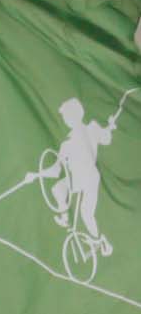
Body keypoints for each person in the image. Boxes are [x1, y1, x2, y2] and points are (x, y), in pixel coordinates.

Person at [46, 97, 120, 261]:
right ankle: (65, 218)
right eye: (65, 117)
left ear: (76, 114)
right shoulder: (66, 144)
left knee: (86, 212)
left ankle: (100, 241)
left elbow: (106, 139)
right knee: (58, 188)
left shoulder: (92, 128)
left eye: (67, 116)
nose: (66, 119)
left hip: (89, 178)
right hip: (76, 179)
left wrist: (110, 127)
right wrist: (37, 175)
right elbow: (56, 170)